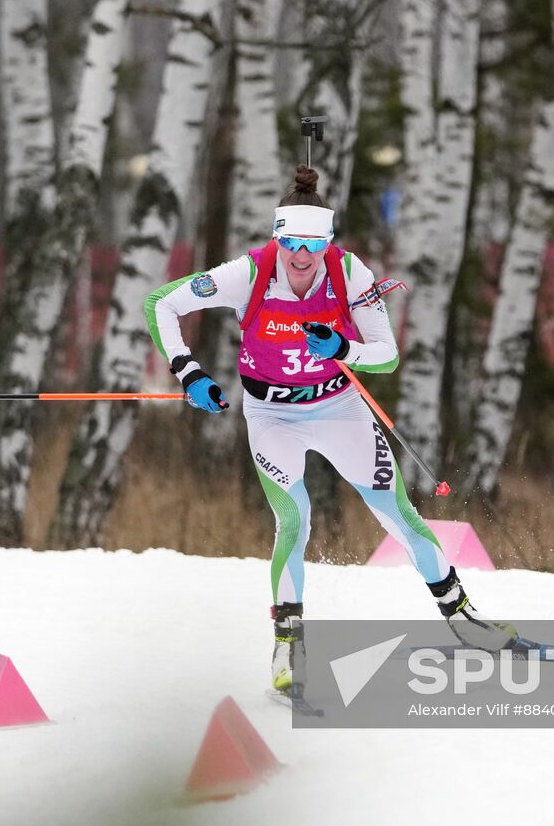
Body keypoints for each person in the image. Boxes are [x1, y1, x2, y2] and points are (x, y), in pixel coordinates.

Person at [144, 166, 512, 699]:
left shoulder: (350, 274)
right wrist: (190, 373)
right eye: (290, 242)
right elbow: (161, 302)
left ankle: (462, 615)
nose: (300, 256)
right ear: (278, 237)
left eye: (312, 245)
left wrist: (343, 350)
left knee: (398, 513)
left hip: (338, 407)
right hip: (271, 416)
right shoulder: (247, 273)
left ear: (328, 242)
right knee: (293, 518)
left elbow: (385, 355)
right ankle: (288, 644)